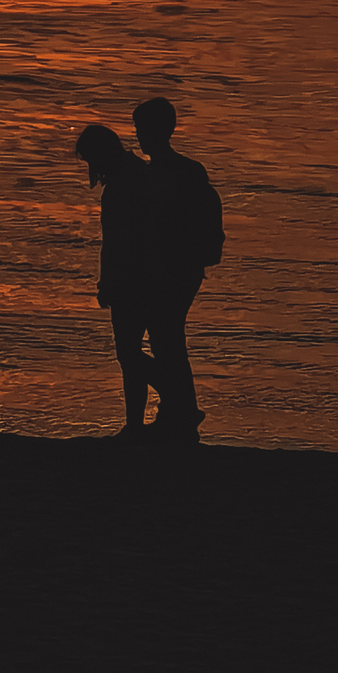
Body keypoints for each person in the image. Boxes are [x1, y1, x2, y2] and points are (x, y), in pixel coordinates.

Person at [74, 122, 190, 440]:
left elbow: (117, 241)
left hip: (133, 279)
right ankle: (139, 423)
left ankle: (176, 401)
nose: (90, 167)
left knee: (128, 353)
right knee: (133, 352)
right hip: (157, 276)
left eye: (89, 159)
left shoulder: (123, 184)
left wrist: (106, 283)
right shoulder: (142, 173)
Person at [129, 94, 224, 442]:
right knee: (169, 341)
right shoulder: (189, 169)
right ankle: (178, 411)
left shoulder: (163, 173)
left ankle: (181, 408)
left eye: (141, 128)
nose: (138, 135)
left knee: (164, 340)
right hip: (187, 267)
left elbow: (159, 226)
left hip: (173, 268)